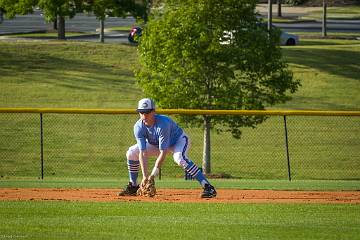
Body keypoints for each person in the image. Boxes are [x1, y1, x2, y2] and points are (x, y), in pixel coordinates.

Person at [119, 98, 217, 198]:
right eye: (141, 112)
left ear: (154, 111)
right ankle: (133, 186)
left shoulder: (162, 124)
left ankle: (208, 187)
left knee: (179, 158)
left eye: (147, 112)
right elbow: (142, 152)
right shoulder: (138, 127)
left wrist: (152, 175)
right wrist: (145, 176)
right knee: (131, 152)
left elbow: (163, 151)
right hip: (156, 144)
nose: (144, 115)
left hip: (178, 141)